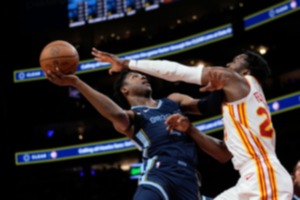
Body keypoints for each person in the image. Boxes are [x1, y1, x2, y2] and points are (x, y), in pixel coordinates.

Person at [91, 48, 294, 199]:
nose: (228, 65)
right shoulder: (243, 101)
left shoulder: (234, 80)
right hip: (251, 179)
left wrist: (128, 63)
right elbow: (224, 153)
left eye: (234, 61)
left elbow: (179, 72)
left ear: (245, 70)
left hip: (263, 176)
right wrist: (190, 129)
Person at [45, 66, 227, 199]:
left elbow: (207, 106)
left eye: (141, 74)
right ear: (125, 90)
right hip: (159, 172)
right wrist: (77, 82)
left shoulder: (173, 101)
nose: (142, 76)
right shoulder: (133, 117)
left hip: (189, 175)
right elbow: (115, 114)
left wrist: (220, 87)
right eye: (134, 76)